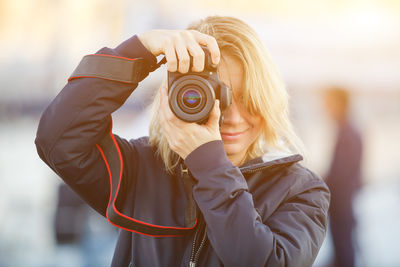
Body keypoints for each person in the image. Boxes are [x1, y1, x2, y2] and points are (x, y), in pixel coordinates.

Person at [36, 16, 330, 267]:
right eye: (218, 97)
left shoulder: (301, 191)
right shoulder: (142, 170)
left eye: (249, 99)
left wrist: (210, 165)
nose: (235, 117)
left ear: (268, 100)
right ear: (177, 95)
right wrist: (141, 51)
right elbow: (58, 139)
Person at [323, 87, 363, 267]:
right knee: (341, 244)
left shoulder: (349, 133)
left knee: (343, 244)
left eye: (329, 103)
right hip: (342, 199)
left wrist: (321, 183)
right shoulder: (346, 130)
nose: (326, 108)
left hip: (343, 200)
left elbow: (342, 172)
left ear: (340, 104)